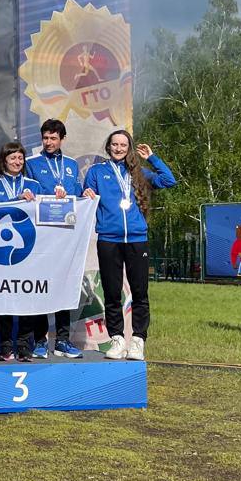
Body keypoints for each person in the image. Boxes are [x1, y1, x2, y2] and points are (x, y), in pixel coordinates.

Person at [82, 130, 176, 362]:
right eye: (115, 144)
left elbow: (169, 180)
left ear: (129, 148)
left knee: (140, 292)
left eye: (123, 145)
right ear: (108, 147)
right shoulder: (96, 171)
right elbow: (85, 196)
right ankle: (116, 339)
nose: (118, 148)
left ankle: (138, 340)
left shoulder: (139, 172)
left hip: (136, 238)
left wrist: (152, 158)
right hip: (109, 239)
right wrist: (86, 192)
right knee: (112, 292)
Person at [24, 119, 86, 359]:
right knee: (41, 287)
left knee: (63, 286)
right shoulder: (31, 163)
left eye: (53, 138)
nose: (48, 142)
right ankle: (40, 341)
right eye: (45, 138)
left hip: (66, 237)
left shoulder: (71, 164)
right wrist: (46, 195)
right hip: (41, 236)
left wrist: (82, 193)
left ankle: (62, 340)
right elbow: (29, 193)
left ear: (62, 139)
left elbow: (78, 195)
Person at [0, 142, 43, 362]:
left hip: (28, 250)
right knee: (4, 298)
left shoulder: (34, 185)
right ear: (4, 161)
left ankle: (25, 346)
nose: (17, 162)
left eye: (20, 158)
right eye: (12, 158)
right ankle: (6, 346)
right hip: (2, 253)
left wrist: (59, 197)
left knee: (27, 298)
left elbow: (45, 213)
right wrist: (16, 201)